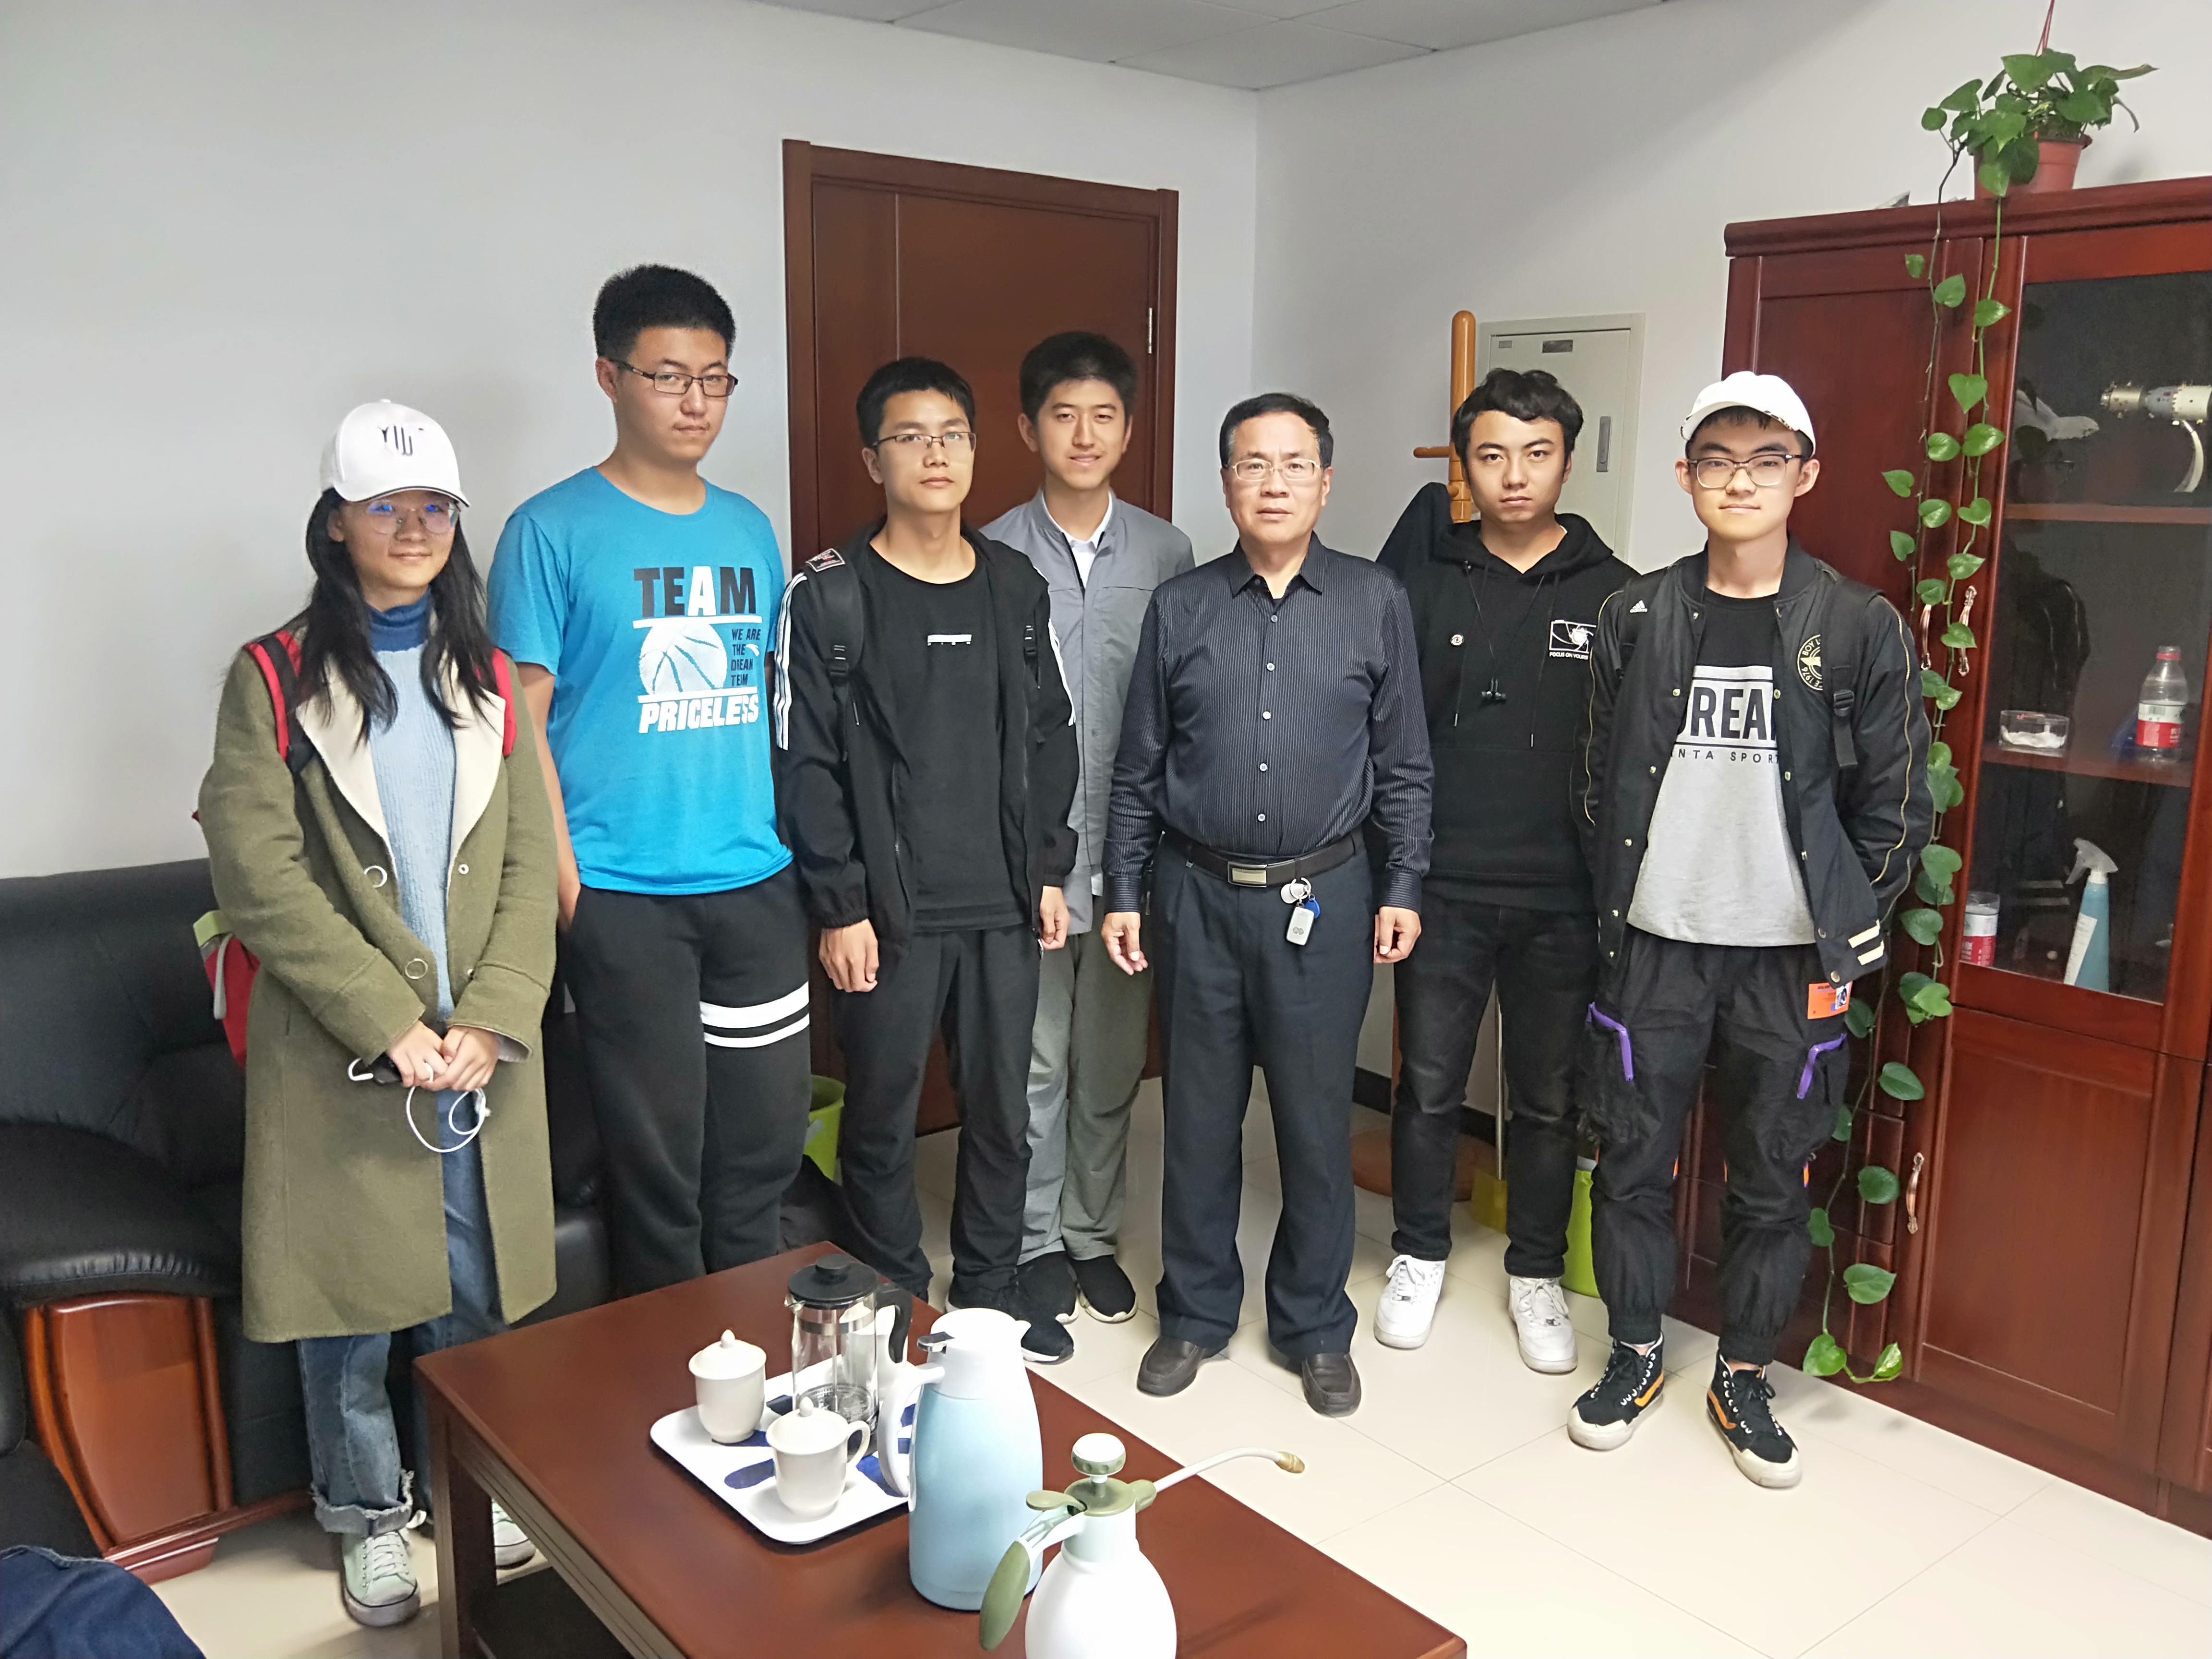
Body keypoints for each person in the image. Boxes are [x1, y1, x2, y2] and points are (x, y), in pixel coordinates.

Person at [200, 401, 558, 1626]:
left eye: (435, 507)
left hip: (475, 1055)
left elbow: (526, 865)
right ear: (336, 523)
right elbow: (258, 875)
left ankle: (474, 1486)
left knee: (474, 1288)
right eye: (386, 506)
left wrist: (492, 1017)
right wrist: (385, 1019)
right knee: (351, 1307)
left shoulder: (488, 674)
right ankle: (367, 1519)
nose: (414, 528)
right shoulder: (271, 676)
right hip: (349, 1057)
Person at [1570, 372, 1931, 1487]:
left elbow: (1898, 807)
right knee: (1632, 1160)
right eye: (1718, 459)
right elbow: (1596, 782)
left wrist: (1842, 922)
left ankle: (1742, 1373)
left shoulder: (1858, 626)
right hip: (1657, 945)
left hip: (1790, 959)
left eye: (1767, 458)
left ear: (1804, 475)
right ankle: (1636, 1352)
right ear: (1685, 477)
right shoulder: (1637, 615)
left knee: (1774, 1176)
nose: (1741, 479)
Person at [1102, 393, 1433, 1418]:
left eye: (1295, 465)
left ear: (1325, 483)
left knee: (1314, 1124)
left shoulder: (1375, 600)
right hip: (1195, 897)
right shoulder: (1182, 607)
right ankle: (1196, 1314)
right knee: (1197, 1121)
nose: (1274, 483)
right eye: (1253, 464)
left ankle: (1314, 1325)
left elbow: (1405, 764)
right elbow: (1138, 768)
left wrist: (1403, 885)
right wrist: (1124, 888)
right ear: (1226, 484)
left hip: (1324, 896)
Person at [487, 266, 809, 1298]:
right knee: (658, 1169)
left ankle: (760, 1351)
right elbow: (519, 722)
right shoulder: (549, 530)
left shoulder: (750, 527)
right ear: (609, 377)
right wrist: (567, 884)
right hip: (621, 894)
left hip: (755, 884)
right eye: (669, 376)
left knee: (763, 1147)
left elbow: (772, 704)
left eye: (715, 379)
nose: (695, 402)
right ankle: (674, 1362)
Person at [776, 357, 1081, 1363]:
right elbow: (805, 761)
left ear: (977, 450)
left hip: (1002, 903)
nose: (935, 454)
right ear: (874, 459)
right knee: (881, 1116)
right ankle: (894, 1293)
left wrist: (1048, 867)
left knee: (1003, 1112)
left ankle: (990, 1287)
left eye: (952, 434)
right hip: (887, 913)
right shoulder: (831, 595)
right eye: (910, 437)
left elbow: (1052, 733)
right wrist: (839, 904)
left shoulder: (1013, 585)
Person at [1375, 368, 1632, 1361]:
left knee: (1548, 1099)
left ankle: (1536, 1274)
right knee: (1429, 1087)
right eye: (1491, 455)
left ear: (1567, 461)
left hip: (1564, 898)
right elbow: (1387, 735)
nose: (1514, 476)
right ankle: (1418, 1254)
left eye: (1536, 454)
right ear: (1465, 467)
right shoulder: (1422, 583)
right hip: (1442, 885)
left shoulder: (1618, 595)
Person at [982, 332, 1193, 1328]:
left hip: (1132, 856)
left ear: (1128, 430)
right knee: (1035, 1061)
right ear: (1028, 429)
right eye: (1062, 415)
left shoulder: (1167, 553)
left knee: (1110, 1062)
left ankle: (1090, 1234)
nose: (1083, 434)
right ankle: (1032, 1243)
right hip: (1032, 858)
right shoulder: (990, 551)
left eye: (1103, 416)